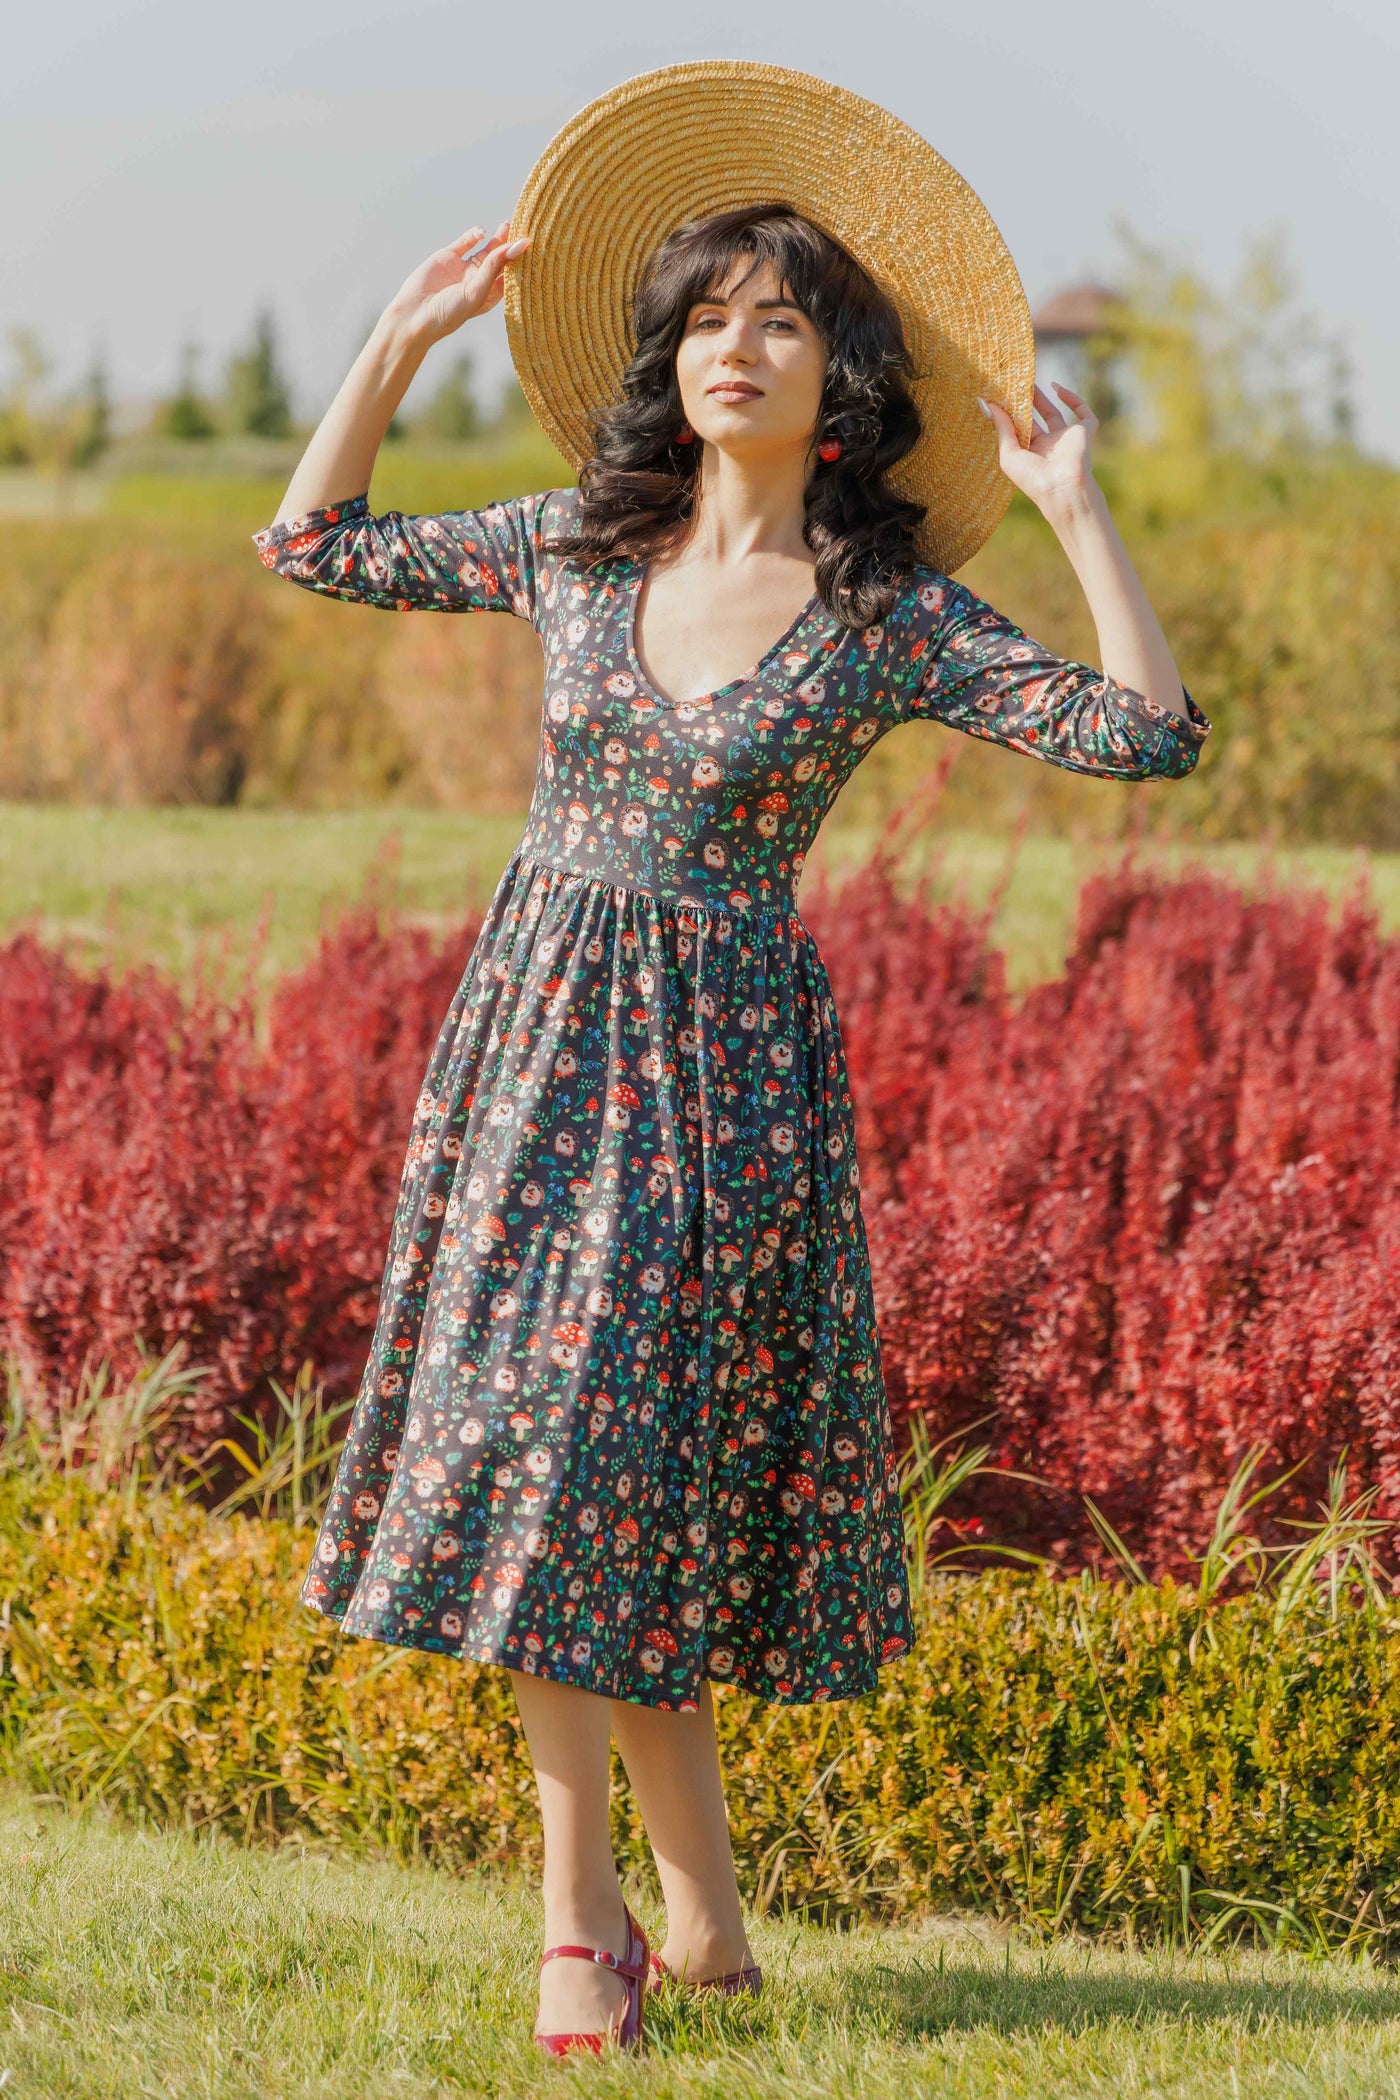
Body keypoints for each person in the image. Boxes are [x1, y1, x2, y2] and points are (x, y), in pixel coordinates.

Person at [252, 62, 1210, 2059]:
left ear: (839, 379)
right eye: (705, 317)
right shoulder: (580, 553)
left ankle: (616, 1923)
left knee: (629, 1473)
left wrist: (1077, 508)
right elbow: (314, 545)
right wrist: (394, 343)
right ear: (667, 361)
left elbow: (1148, 738)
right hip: (532, 1047)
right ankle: (626, 1918)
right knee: (551, 1452)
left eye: (777, 320)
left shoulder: (881, 616)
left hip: (725, 1075)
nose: (736, 349)